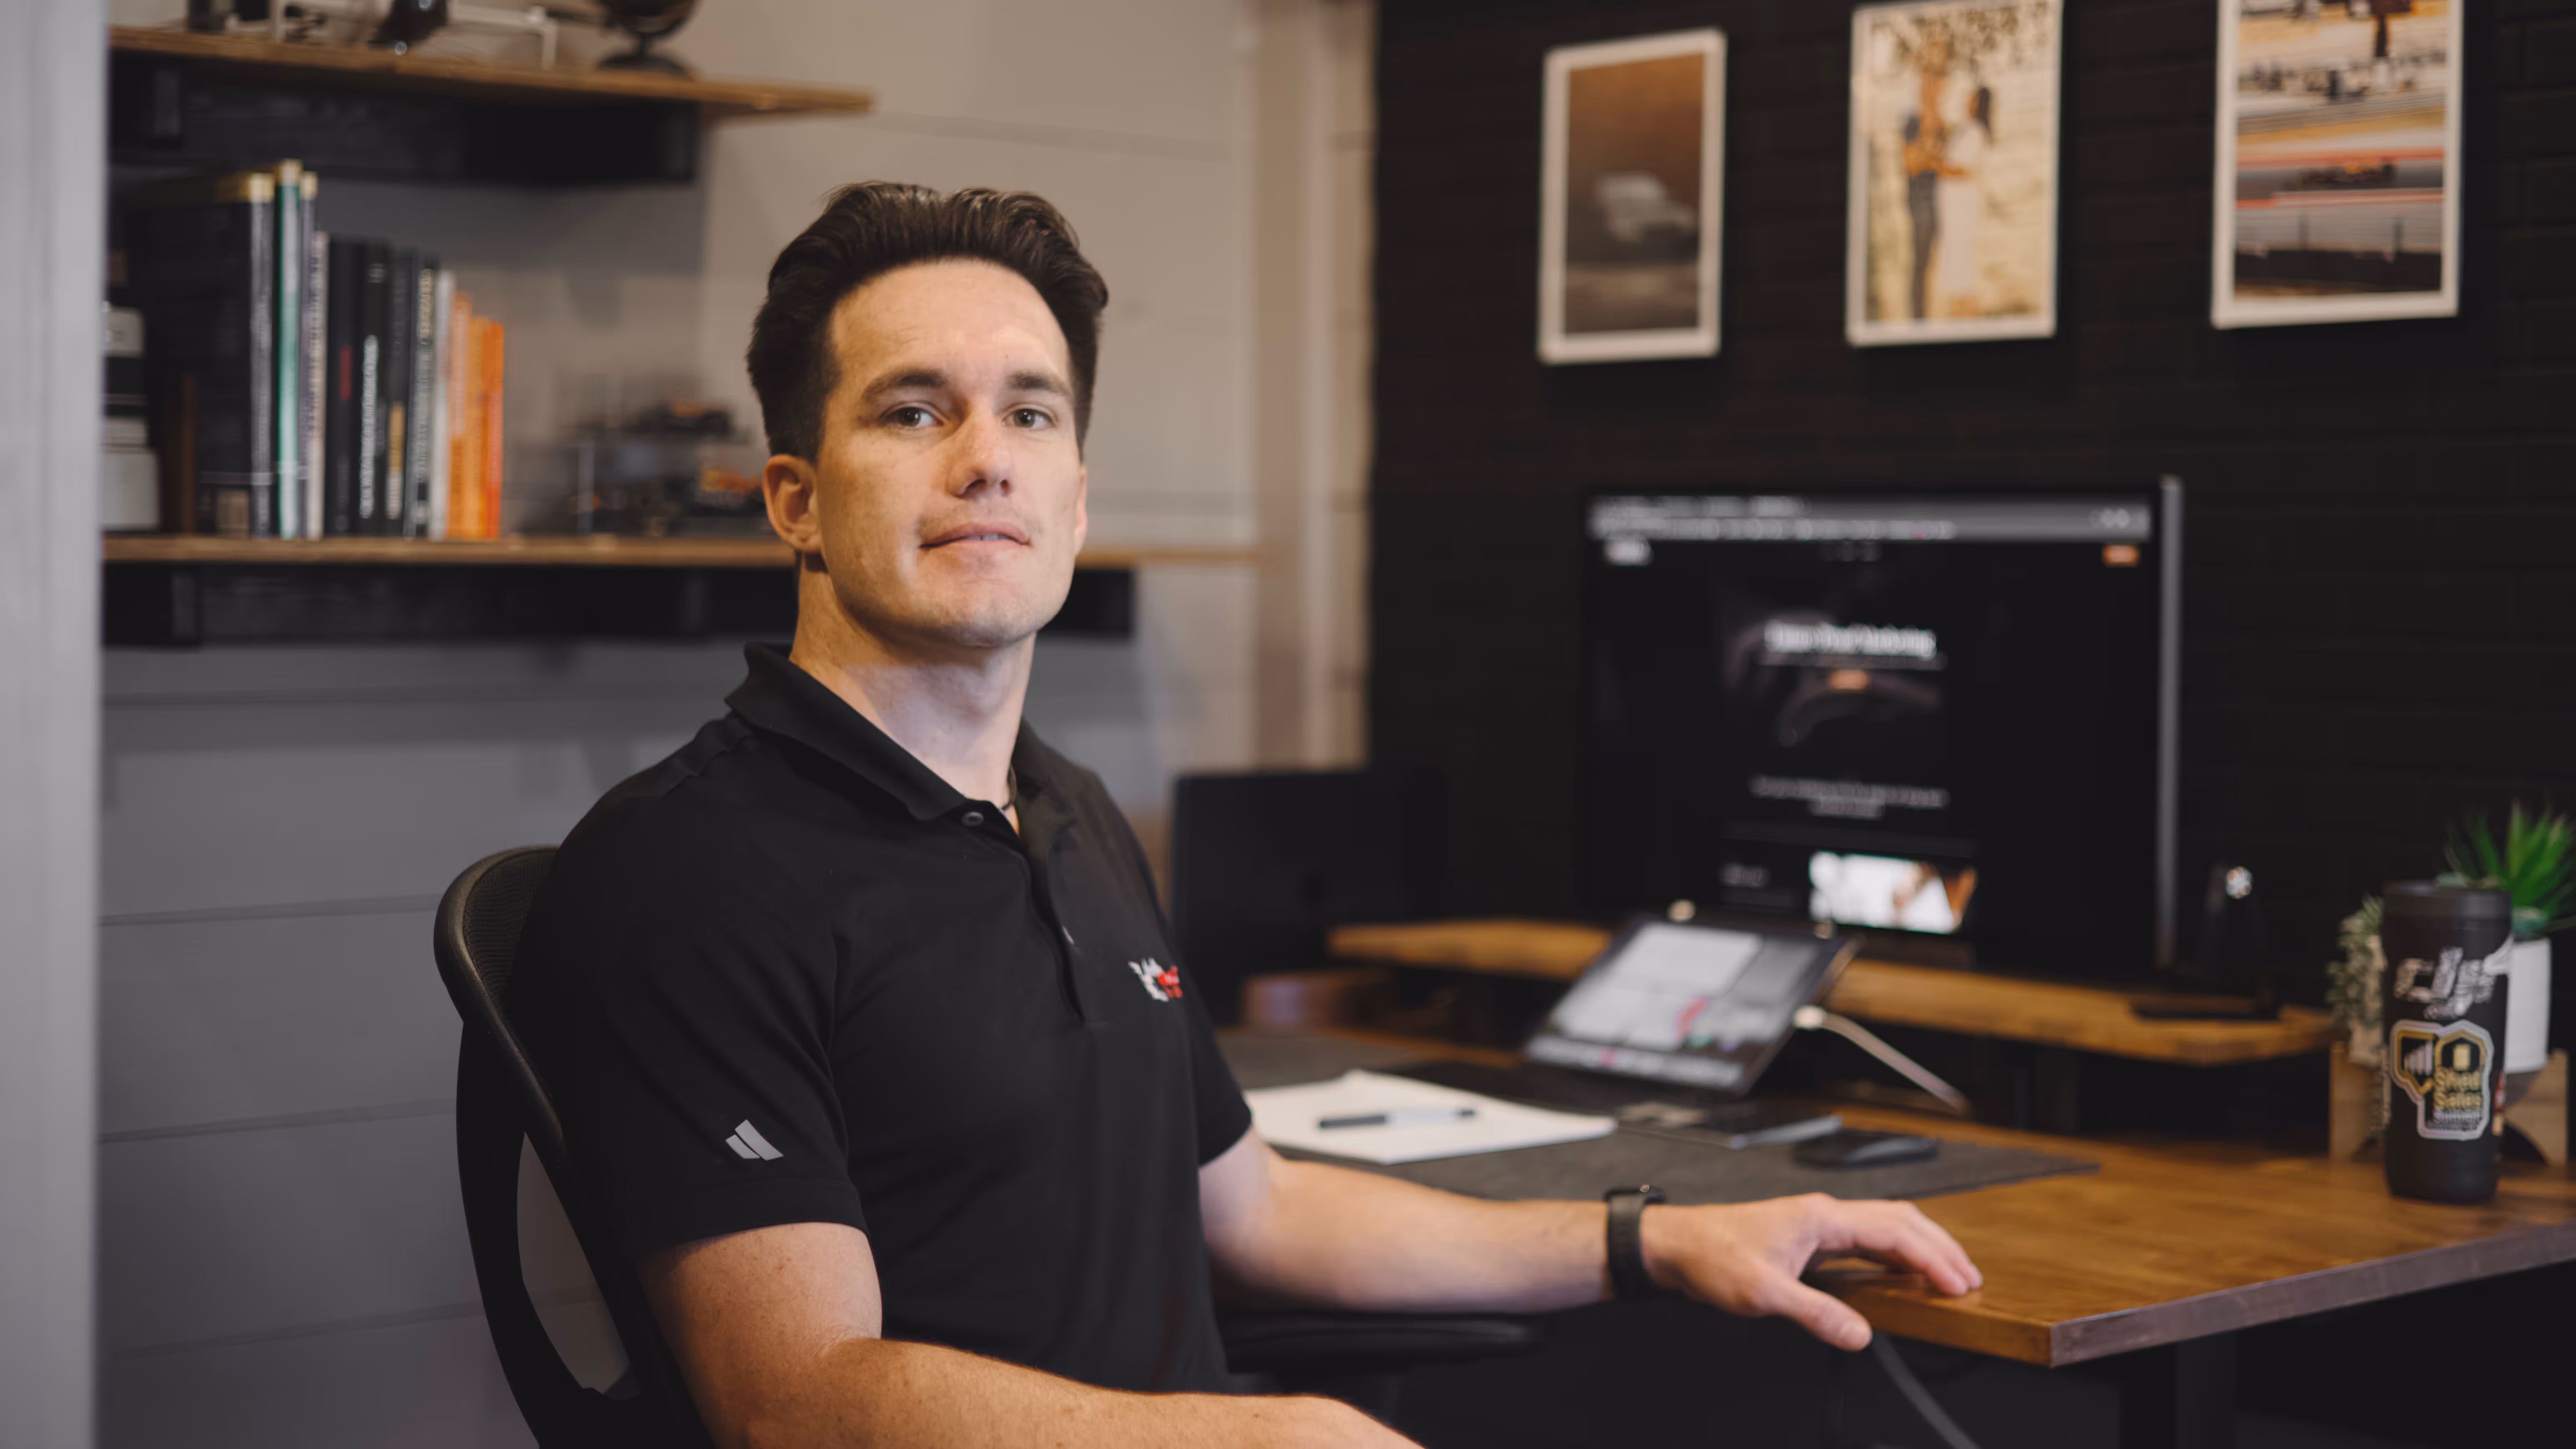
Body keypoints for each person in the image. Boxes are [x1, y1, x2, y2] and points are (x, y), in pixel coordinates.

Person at [518, 182, 1982, 1449]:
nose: (986, 456)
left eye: (1029, 410)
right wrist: (1262, 1432)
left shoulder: (1065, 812)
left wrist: (1653, 1236)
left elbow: (1256, 1210)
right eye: (914, 411)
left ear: (1074, 499)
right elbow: (794, 1400)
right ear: (792, 497)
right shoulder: (689, 869)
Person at [1933, 84, 1992, 318]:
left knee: (1960, 249)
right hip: (1953, 200)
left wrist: (1939, 168)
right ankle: (1959, 303)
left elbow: (1967, 171)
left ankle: (1964, 304)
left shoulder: (1977, 133)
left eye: (1972, 99)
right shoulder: (1966, 130)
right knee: (1953, 248)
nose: (1968, 102)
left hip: (1962, 201)